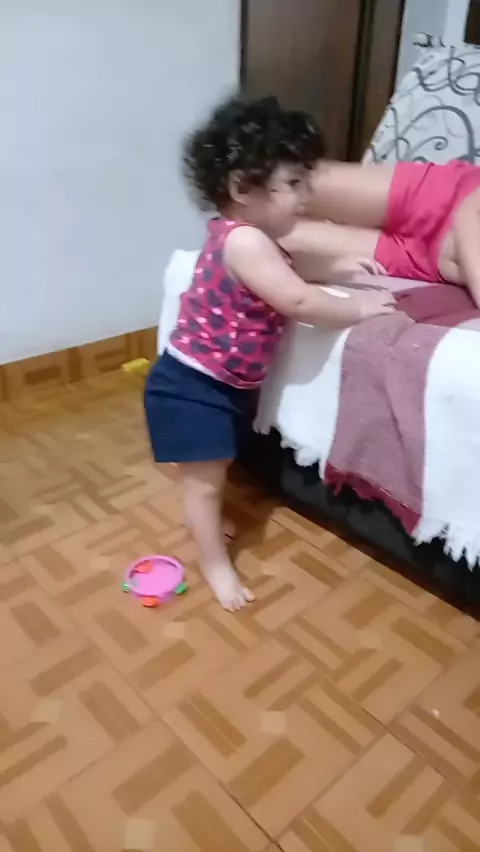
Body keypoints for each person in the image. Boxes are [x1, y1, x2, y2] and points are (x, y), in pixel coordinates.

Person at [144, 96, 396, 612]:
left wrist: (340, 270)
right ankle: (215, 564)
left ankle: (207, 518)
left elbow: (283, 277)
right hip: (192, 388)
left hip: (222, 383)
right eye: (294, 183)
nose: (306, 196)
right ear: (242, 188)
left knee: (211, 473)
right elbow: (297, 300)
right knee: (204, 484)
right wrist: (360, 308)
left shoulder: (254, 238)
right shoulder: (245, 243)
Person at [282, 159, 480, 307]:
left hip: (418, 262)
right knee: (282, 181)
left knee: (278, 246)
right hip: (438, 196)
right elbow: (469, 211)